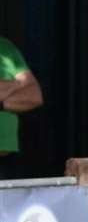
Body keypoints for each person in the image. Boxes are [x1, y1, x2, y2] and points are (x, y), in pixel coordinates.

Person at [0, 34, 43, 178]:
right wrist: (17, 85)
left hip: (8, 161)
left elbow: (34, 96)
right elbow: (25, 84)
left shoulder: (5, 47)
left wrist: (1, 103)